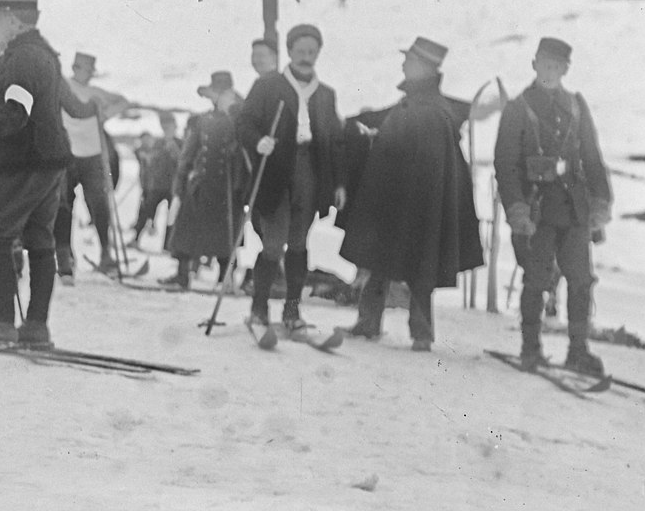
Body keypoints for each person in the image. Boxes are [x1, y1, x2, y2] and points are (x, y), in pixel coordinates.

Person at [340, 37, 483, 351]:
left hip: (417, 203)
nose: (404, 64)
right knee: (384, 260)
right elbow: (386, 119)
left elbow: (405, 142)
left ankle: (419, 332)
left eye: (409, 61)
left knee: (418, 265)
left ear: (424, 68)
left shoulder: (430, 108)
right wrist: (355, 124)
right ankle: (373, 323)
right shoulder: (419, 101)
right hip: (399, 200)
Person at [0, 0, 73, 346]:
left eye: (0, 17)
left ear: (14, 20)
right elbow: (25, 96)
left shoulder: (22, 57)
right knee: (40, 238)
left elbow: (15, 115)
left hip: (23, 162)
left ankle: (4, 325)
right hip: (49, 160)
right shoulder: (42, 54)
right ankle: (36, 327)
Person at [495, 36, 614, 373]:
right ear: (534, 65)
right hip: (537, 210)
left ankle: (578, 350)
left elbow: (592, 157)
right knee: (536, 280)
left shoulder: (577, 105)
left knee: (581, 281)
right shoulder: (519, 109)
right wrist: (516, 208)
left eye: (556, 67)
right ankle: (530, 349)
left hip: (574, 209)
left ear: (565, 69)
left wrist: (601, 200)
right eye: (544, 65)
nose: (549, 71)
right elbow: (506, 164)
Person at [237, 25, 344, 334]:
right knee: (272, 244)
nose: (306, 58)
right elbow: (244, 123)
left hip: (310, 173)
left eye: (312, 52)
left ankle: (292, 311)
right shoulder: (268, 85)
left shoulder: (325, 94)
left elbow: (335, 142)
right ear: (290, 51)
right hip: (275, 173)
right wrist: (258, 142)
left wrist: (338, 183)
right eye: (301, 51)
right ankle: (259, 308)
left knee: (299, 242)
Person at [162, 73, 245, 289]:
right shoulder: (203, 120)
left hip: (227, 186)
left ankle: (225, 279)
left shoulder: (239, 117)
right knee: (185, 230)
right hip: (201, 185)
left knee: (226, 235)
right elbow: (188, 154)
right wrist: (180, 184)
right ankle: (182, 276)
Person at [56, 50, 122, 279]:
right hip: (66, 154)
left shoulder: (95, 93)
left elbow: (124, 101)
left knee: (99, 205)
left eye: (91, 71)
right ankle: (64, 255)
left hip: (93, 156)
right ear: (74, 68)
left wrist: (104, 113)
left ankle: (106, 253)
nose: (89, 75)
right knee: (64, 206)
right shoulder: (63, 85)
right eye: (85, 70)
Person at [133, 112, 181, 247]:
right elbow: (150, 161)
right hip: (157, 186)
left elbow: (183, 162)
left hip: (173, 187)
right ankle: (136, 238)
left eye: (169, 126)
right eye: (165, 127)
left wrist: (174, 150)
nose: (167, 129)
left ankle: (168, 245)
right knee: (145, 212)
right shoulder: (158, 143)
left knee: (171, 217)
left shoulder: (180, 143)